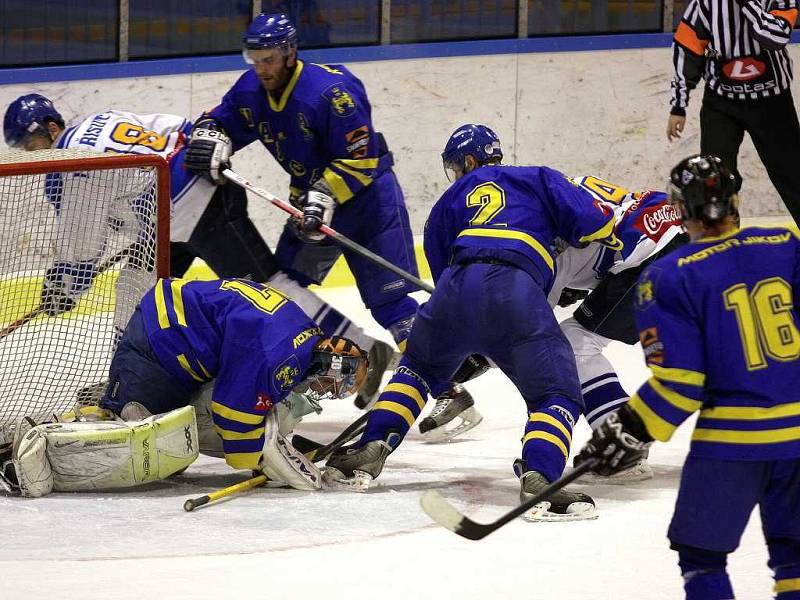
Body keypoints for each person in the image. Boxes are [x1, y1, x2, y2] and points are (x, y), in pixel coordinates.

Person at [2, 93, 395, 407]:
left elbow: (83, 244)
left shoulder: (74, 162)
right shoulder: (103, 118)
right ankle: (124, 378)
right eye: (24, 148)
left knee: (268, 286)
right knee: (135, 283)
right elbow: (179, 129)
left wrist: (65, 287)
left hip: (192, 209)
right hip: (182, 206)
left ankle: (365, 344)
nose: (33, 155)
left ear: (52, 128)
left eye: (32, 144)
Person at [322, 124, 625, 522]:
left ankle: (369, 449)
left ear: (467, 161)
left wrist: (463, 332)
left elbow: (440, 264)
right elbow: (597, 225)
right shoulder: (538, 177)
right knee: (557, 392)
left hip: (454, 291)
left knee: (417, 370)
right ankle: (541, 478)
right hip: (517, 292)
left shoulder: (450, 198)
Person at [181, 13, 473, 413]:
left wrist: (325, 194)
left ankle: (452, 394)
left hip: (368, 204)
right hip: (310, 208)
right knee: (280, 293)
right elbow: (219, 120)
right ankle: (363, 357)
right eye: (255, 58)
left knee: (391, 303)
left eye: (269, 58)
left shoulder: (331, 92)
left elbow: (363, 159)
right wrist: (209, 135)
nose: (262, 67)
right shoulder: (251, 90)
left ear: (289, 52)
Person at [576, 155, 800, 599]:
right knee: (794, 554)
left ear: (678, 210)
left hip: (731, 444)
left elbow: (680, 384)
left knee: (701, 557)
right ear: (734, 199)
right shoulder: (786, 243)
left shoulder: (665, 277)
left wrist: (628, 429)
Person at [422, 173, 689, 484]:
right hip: (686, 240)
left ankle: (624, 450)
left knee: (576, 344)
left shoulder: (539, 243)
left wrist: (471, 358)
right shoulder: (552, 195)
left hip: (653, 259)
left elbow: (524, 326)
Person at [0, 277, 369, 497]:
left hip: (173, 330)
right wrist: (271, 464)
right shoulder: (280, 357)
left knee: (178, 440)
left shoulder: (300, 337)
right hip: (163, 344)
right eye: (336, 384)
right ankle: (32, 450)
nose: (327, 391)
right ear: (331, 364)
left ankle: (115, 397)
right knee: (143, 440)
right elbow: (234, 417)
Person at [667, 0, 800, 226]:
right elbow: (688, 48)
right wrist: (679, 105)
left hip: (771, 102)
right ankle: (720, 246)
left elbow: (774, 37)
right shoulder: (705, 4)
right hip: (721, 103)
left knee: (793, 175)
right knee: (713, 180)